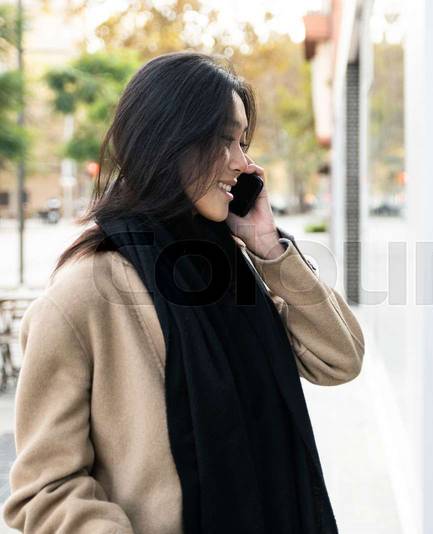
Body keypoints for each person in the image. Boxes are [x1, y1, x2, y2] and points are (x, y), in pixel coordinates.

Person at [2, 51, 364, 533]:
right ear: (168, 143)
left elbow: (340, 359)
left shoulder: (231, 270)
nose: (244, 163)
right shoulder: (83, 296)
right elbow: (43, 492)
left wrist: (269, 249)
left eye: (243, 142)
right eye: (224, 141)